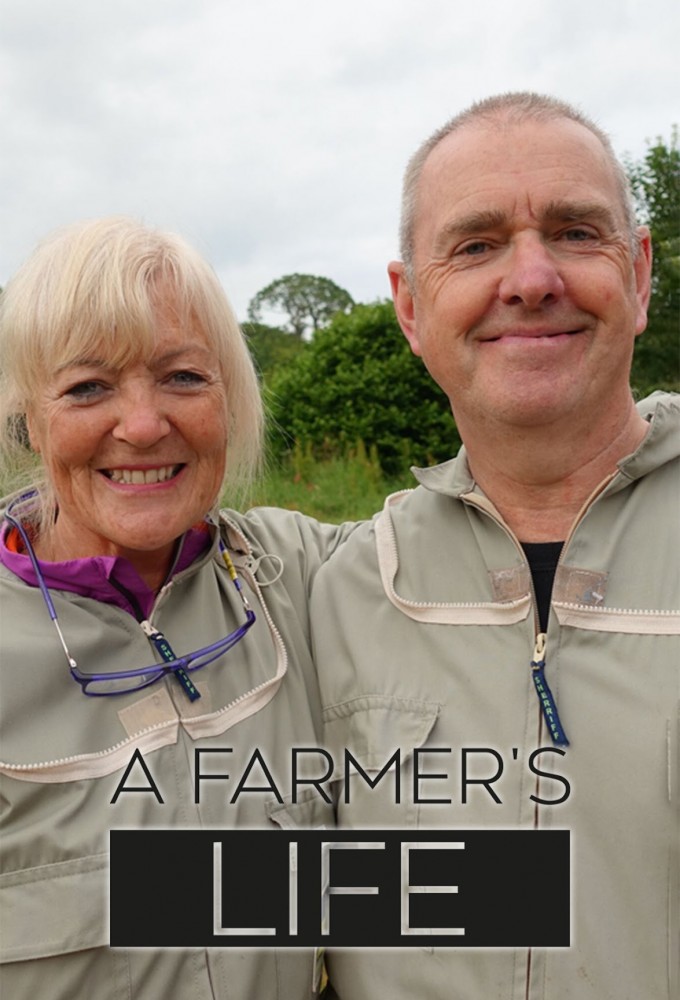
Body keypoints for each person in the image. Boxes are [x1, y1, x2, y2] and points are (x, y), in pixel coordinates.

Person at [312, 93, 679, 999]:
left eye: (574, 232)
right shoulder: (333, 586)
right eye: (475, 246)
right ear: (408, 307)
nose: (530, 278)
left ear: (638, 276)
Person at [0, 217, 353, 999]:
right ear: (30, 417)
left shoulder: (293, 573)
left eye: (184, 377)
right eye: (88, 386)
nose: (143, 424)